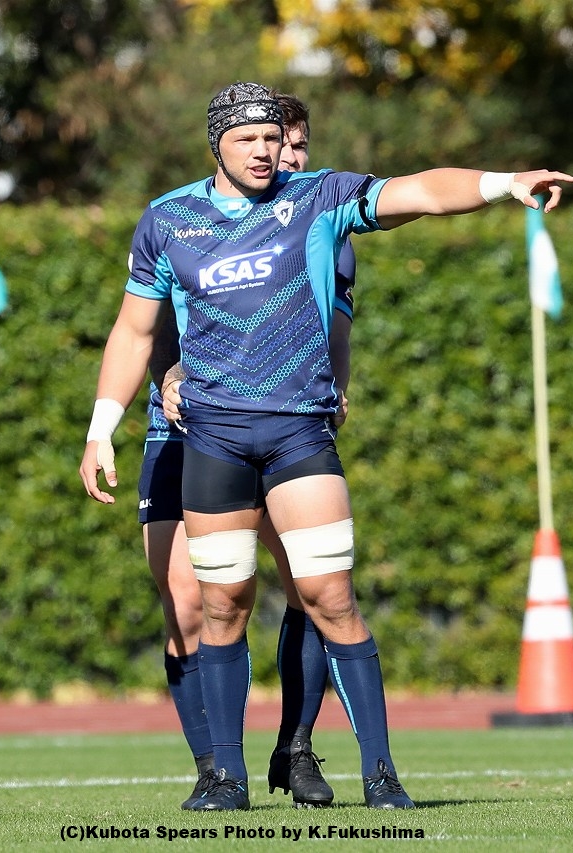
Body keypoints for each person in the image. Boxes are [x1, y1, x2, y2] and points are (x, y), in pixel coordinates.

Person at [80, 80, 573, 811]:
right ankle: (223, 778)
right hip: (208, 436)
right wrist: (101, 427)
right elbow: (134, 330)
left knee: (330, 596)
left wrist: (504, 183)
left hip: (297, 431)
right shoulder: (168, 219)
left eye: (273, 138)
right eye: (248, 139)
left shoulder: (318, 198)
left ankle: (378, 773)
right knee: (218, 606)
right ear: (216, 143)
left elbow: (418, 192)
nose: (265, 151)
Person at [102, 91, 352, 811]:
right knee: (187, 602)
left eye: (295, 147)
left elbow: (335, 328)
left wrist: (336, 390)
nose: (283, 159)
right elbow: (151, 323)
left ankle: (295, 748)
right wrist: (166, 377)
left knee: (313, 587)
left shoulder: (321, 220)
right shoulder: (181, 218)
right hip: (182, 427)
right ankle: (216, 768)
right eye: (272, 143)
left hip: (280, 423)